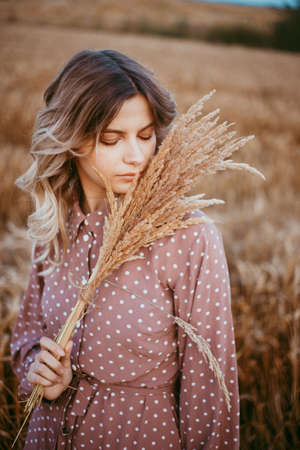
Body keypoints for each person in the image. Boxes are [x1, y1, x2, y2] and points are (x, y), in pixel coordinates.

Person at [11, 49, 240, 449]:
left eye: (146, 135)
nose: (136, 156)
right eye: (112, 139)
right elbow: (26, 337)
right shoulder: (55, 226)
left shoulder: (187, 236)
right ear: (70, 138)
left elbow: (210, 394)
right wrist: (40, 370)